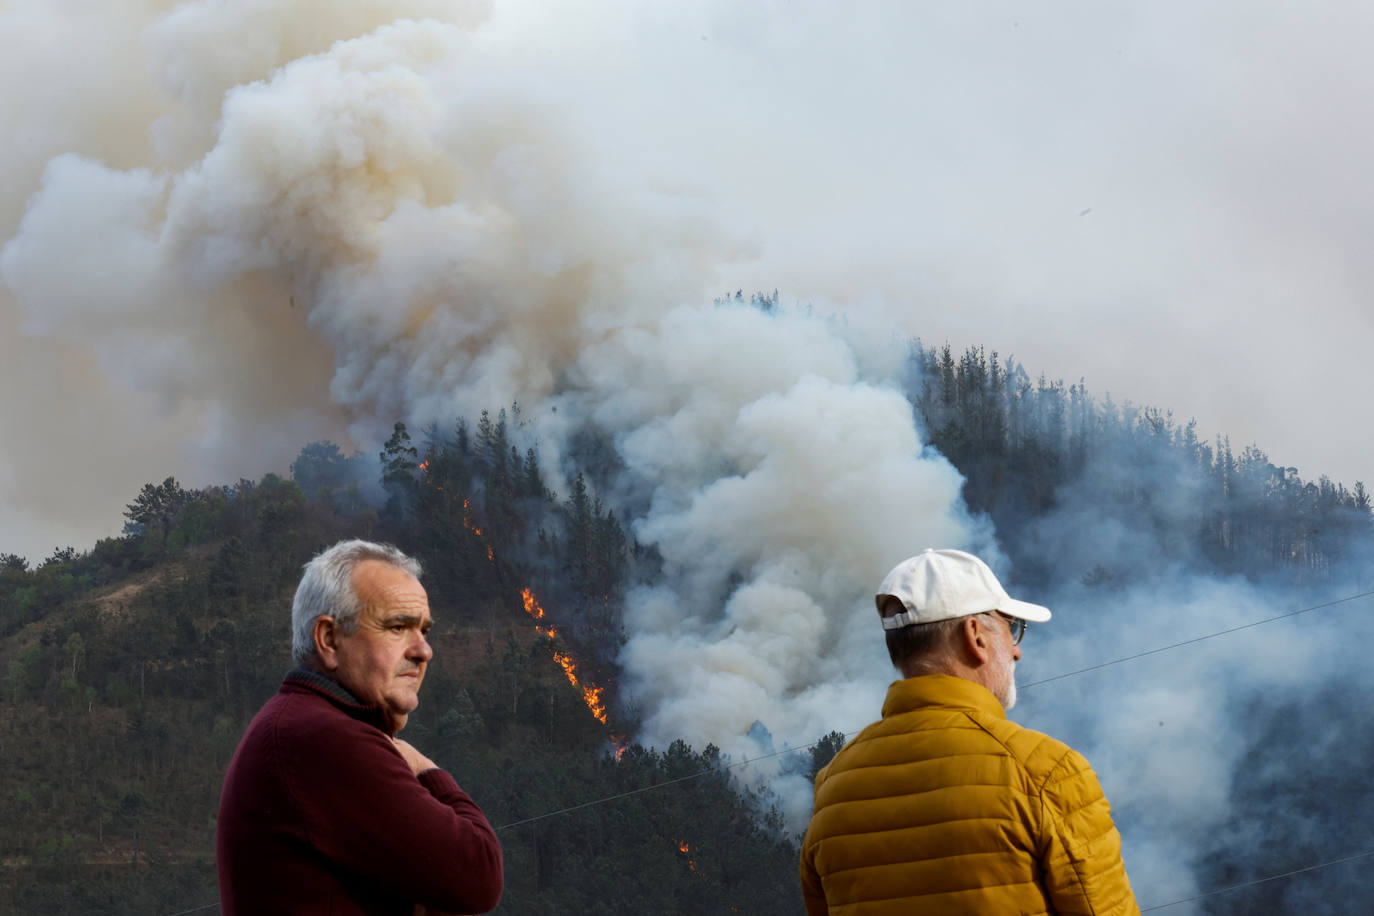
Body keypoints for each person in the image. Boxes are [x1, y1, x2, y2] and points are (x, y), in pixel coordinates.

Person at [800, 548, 1138, 915]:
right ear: (975, 636)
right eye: (1013, 629)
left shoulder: (833, 787)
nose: (1016, 652)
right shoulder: (1046, 771)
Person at [217, 539, 503, 915]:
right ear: (329, 640)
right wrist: (425, 768)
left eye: (425, 631)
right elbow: (478, 875)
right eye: (398, 626)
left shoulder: (297, 724)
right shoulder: (324, 739)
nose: (423, 651)